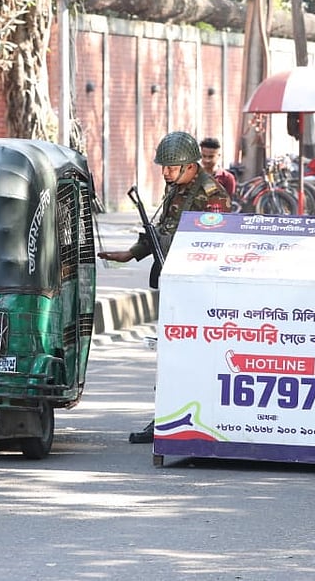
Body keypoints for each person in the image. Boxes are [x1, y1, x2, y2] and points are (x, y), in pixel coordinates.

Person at [98, 131, 230, 443]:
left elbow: (212, 243)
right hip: (172, 282)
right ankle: (166, 417)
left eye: (171, 168)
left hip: (197, 288)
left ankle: (189, 419)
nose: (165, 173)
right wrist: (131, 253)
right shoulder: (176, 188)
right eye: (164, 167)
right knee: (169, 356)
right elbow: (161, 230)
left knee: (192, 358)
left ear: (191, 166)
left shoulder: (212, 195)